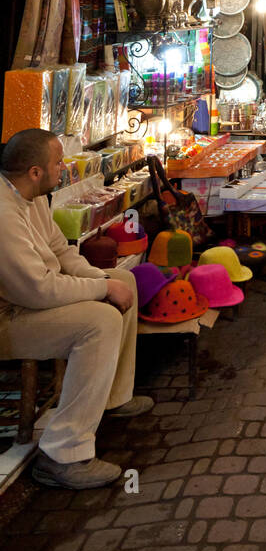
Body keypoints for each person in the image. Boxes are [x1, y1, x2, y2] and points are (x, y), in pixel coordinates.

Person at [0, 129, 154, 490]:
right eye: (58, 162)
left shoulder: (32, 196)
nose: (63, 168)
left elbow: (62, 250)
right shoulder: (5, 216)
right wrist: (100, 289)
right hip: (10, 318)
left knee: (124, 280)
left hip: (31, 301)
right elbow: (38, 289)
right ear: (35, 171)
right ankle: (62, 454)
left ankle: (113, 397)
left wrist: (101, 278)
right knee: (98, 321)